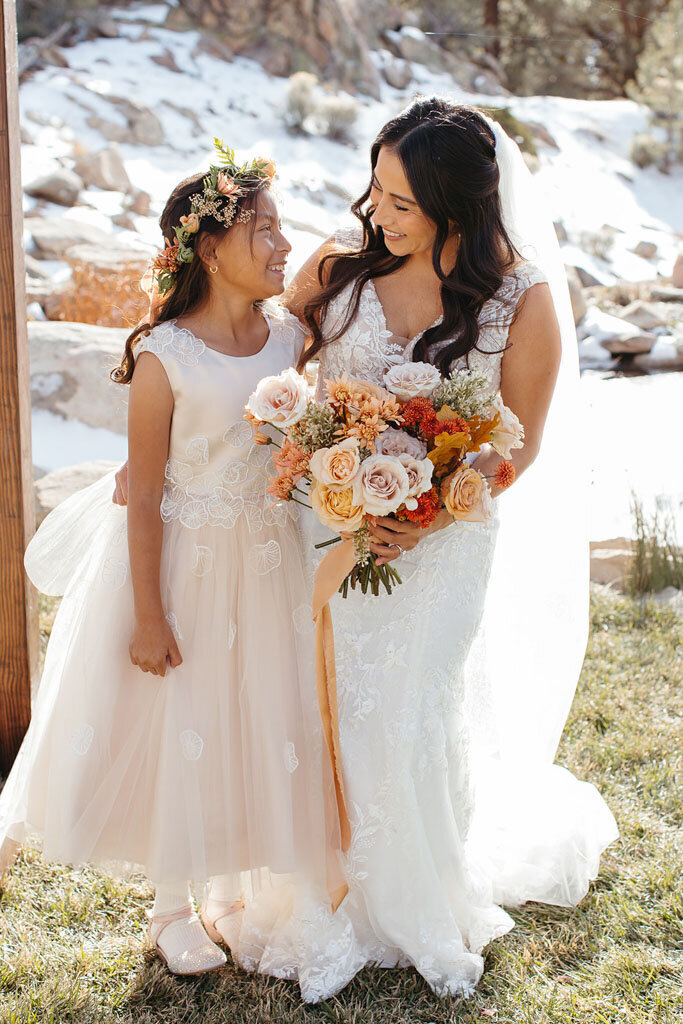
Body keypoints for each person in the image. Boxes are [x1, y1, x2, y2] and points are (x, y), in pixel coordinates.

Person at [276, 97, 619, 998]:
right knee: (323, 705)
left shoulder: (522, 298)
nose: (375, 216)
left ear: (456, 207)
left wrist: (422, 514)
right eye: (374, 193)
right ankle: (323, 880)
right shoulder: (339, 269)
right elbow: (258, 352)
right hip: (326, 527)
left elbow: (516, 444)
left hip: (446, 542)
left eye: (399, 203)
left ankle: (414, 895)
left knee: (405, 708)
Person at [0, 144, 343, 981]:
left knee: (250, 714)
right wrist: (149, 614)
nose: (281, 245)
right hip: (183, 567)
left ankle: (229, 880)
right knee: (180, 724)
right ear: (211, 246)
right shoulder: (164, 356)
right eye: (263, 229)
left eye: (281, 228)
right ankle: (167, 906)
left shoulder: (291, 339)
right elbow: (144, 498)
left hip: (267, 562)